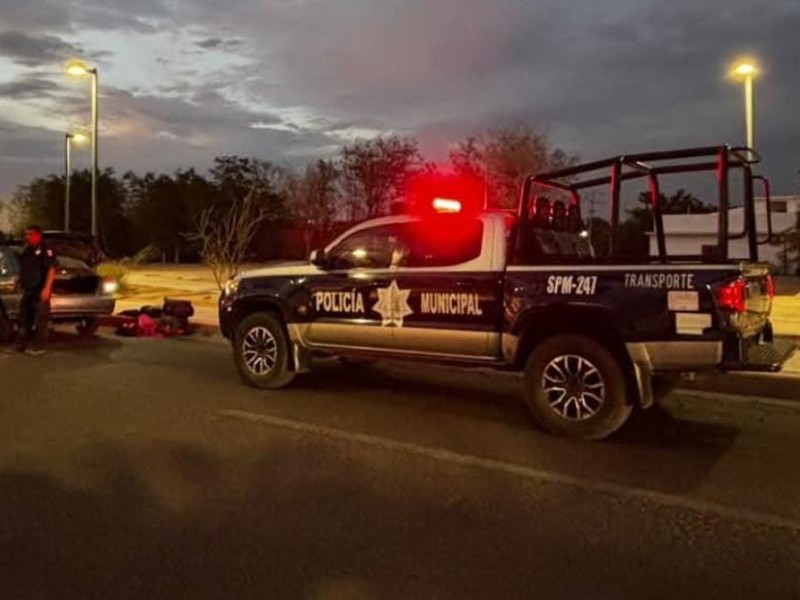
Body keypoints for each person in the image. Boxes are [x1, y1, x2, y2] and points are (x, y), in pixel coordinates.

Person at [15, 226, 56, 355]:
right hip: (28, 290)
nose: (27, 237)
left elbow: (51, 269)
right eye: (26, 234)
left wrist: (47, 288)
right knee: (24, 318)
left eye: (30, 234)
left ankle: (39, 347)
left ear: (38, 235)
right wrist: (19, 280)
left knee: (40, 320)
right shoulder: (26, 250)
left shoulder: (46, 249)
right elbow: (24, 268)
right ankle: (21, 344)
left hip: (40, 290)